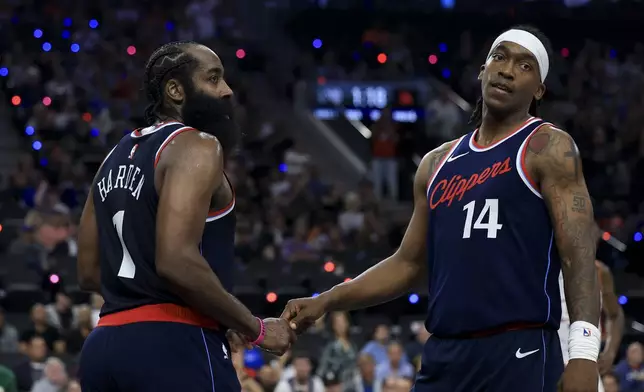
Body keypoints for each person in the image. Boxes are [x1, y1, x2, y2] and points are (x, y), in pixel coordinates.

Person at [280, 25, 601, 392]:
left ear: (539, 89)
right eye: (499, 57)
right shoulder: (437, 162)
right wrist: (326, 300)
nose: (507, 70)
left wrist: (584, 352)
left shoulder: (549, 147)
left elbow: (579, 254)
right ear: (482, 70)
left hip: (518, 348)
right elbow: (408, 264)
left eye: (525, 66)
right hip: (445, 354)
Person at [77, 41, 295, 391]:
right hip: (174, 343)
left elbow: (88, 272)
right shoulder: (198, 145)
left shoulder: (112, 157)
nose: (226, 91)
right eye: (213, 79)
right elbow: (176, 261)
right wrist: (256, 328)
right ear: (175, 90)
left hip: (103, 348)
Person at [559, 259, 624, 392]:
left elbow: (615, 314)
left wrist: (610, 352)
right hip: (546, 357)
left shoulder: (598, 270)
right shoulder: (538, 265)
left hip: (583, 360)